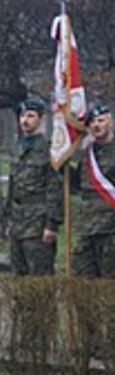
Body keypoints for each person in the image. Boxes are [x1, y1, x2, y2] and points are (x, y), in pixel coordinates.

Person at [3, 98, 60, 276]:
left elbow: (54, 189)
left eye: (30, 116)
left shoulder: (48, 150)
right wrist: (6, 216)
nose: (25, 120)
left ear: (40, 119)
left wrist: (51, 224)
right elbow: (13, 185)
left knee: (40, 277)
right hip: (17, 221)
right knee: (18, 276)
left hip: (38, 222)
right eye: (22, 116)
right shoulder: (18, 147)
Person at [72, 103, 115, 278]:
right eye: (92, 123)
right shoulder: (85, 155)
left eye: (101, 120)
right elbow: (76, 186)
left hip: (111, 229)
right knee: (85, 283)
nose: (96, 125)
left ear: (110, 122)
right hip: (88, 228)